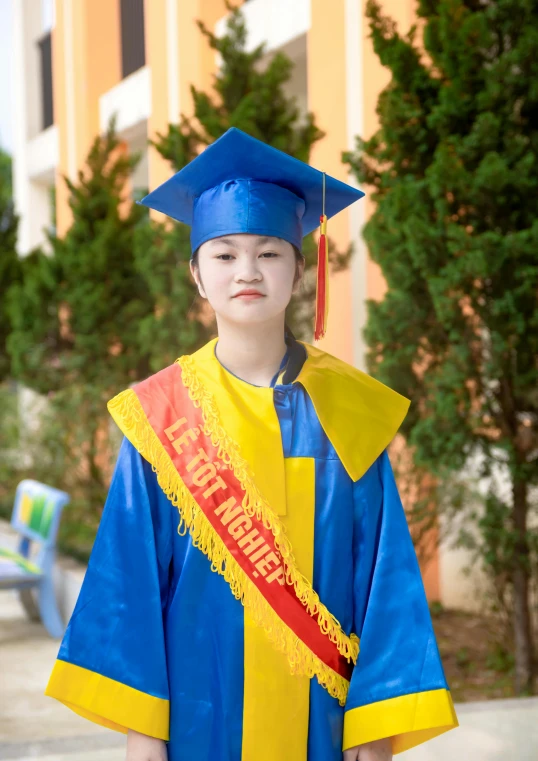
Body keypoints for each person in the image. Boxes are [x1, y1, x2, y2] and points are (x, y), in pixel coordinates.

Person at [45, 128, 458, 761]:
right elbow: (126, 588)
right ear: (196, 275)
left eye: (269, 253)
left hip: (324, 720)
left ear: (299, 269)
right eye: (225, 255)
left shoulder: (349, 411)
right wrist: (142, 739)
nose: (247, 272)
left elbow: (386, 583)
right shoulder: (161, 417)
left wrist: (374, 736)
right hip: (197, 718)